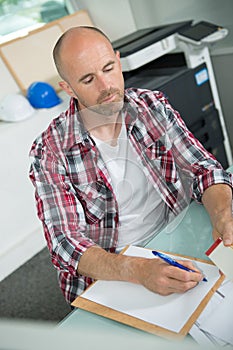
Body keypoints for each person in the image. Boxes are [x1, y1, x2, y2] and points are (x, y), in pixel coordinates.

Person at [29, 26, 233, 304]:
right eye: (88, 79)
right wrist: (137, 269)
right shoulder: (50, 151)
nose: (106, 87)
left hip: (173, 237)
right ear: (68, 88)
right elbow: (66, 244)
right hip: (113, 268)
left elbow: (203, 169)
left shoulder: (153, 107)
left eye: (109, 68)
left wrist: (224, 212)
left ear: (118, 59)